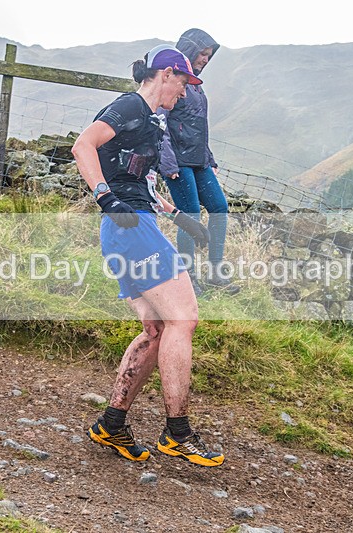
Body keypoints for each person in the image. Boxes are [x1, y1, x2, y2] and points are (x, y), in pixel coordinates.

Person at [71, 44, 224, 467]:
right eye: (184, 82)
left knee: (157, 329)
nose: (186, 92)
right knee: (183, 319)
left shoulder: (153, 122)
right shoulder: (131, 106)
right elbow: (83, 146)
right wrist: (106, 199)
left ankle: (112, 424)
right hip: (129, 226)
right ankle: (178, 433)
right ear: (166, 74)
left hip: (132, 227)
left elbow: (139, 183)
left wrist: (179, 217)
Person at [159, 28, 239, 295]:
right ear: (190, 50)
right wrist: (167, 162)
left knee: (219, 207)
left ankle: (216, 272)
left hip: (199, 160)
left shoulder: (195, 85)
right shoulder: (172, 81)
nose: (205, 59)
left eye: (208, 55)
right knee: (190, 214)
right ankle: (187, 277)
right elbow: (160, 123)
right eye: (202, 53)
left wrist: (209, 159)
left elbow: (198, 127)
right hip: (178, 161)